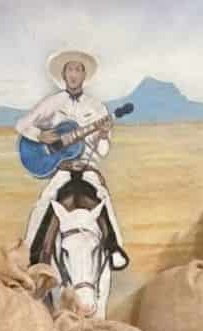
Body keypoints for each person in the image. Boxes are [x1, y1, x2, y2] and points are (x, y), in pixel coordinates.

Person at [17, 49, 129, 267]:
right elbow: (21, 125)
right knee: (44, 201)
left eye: (78, 69)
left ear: (84, 75)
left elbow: (103, 151)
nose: (74, 74)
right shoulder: (53, 103)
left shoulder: (97, 108)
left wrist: (104, 135)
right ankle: (29, 254)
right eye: (70, 69)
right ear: (64, 74)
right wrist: (40, 135)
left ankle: (115, 248)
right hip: (62, 168)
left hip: (88, 169)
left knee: (104, 199)